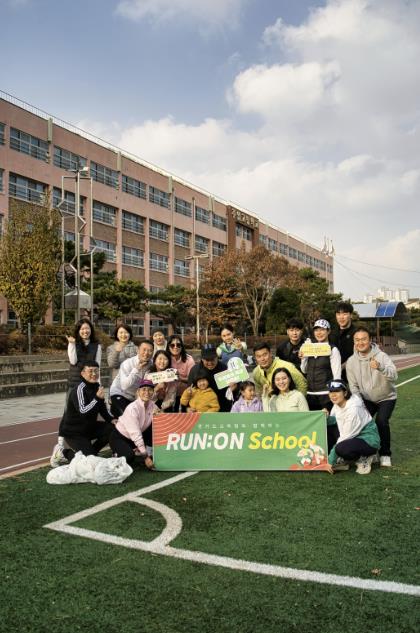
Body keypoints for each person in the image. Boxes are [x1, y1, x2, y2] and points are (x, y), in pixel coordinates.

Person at [346, 327, 397, 466]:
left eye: (364, 339)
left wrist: (380, 367)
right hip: (367, 399)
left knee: (381, 421)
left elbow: (394, 376)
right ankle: (369, 452)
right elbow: (353, 386)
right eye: (357, 340)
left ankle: (385, 454)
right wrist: (359, 406)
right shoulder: (351, 361)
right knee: (361, 422)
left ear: (370, 340)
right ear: (354, 342)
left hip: (387, 397)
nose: (360, 342)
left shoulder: (381, 356)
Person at [50, 361, 115, 467]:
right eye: (90, 371)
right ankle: (62, 453)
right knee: (87, 463)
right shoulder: (79, 389)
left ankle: (91, 453)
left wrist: (111, 419)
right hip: (74, 432)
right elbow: (83, 411)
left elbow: (102, 408)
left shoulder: (97, 386)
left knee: (112, 428)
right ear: (83, 373)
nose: (94, 374)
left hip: (89, 428)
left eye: (96, 371)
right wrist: (97, 398)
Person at [326, 379, 380, 475]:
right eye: (331, 392)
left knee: (341, 448)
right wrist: (324, 417)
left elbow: (344, 437)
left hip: (368, 440)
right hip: (355, 437)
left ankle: (365, 457)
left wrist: (330, 461)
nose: (333, 395)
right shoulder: (339, 403)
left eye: (337, 391)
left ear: (345, 393)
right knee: (330, 428)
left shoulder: (353, 409)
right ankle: (346, 458)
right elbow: (337, 419)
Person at [109, 378, 155, 468]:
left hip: (133, 439)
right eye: (144, 389)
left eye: (150, 390)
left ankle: (148, 451)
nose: (147, 392)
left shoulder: (153, 405)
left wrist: (160, 413)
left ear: (153, 392)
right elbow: (135, 434)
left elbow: (161, 416)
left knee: (156, 421)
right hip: (120, 437)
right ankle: (116, 454)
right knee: (129, 457)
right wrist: (145, 457)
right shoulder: (132, 408)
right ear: (138, 392)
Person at [300, 319, 341, 411]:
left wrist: (334, 394)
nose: (319, 333)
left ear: (328, 331)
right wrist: (304, 357)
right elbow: (304, 370)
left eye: (322, 329)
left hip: (326, 395)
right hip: (310, 394)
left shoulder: (333, 349)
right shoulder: (310, 348)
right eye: (316, 330)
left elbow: (337, 375)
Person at [109, 340, 154, 417]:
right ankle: (115, 407)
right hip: (120, 393)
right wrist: (136, 369)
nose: (146, 353)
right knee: (126, 417)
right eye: (144, 349)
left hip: (136, 397)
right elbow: (124, 386)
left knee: (141, 417)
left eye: (150, 351)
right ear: (138, 350)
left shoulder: (152, 364)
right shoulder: (127, 363)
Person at [188, 344, 232, 412]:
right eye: (207, 360)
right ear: (202, 359)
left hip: (223, 407)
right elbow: (189, 391)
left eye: (212, 359)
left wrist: (233, 388)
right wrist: (188, 407)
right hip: (201, 409)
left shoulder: (224, 368)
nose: (210, 362)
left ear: (217, 357)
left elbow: (232, 392)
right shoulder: (195, 370)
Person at [66, 317, 101, 390]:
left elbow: (97, 366)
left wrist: (98, 384)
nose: (85, 331)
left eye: (87, 328)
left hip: (90, 382)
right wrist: (72, 344)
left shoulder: (97, 345)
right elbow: (73, 361)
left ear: (91, 329)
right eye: (82, 329)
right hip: (75, 382)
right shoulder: (73, 343)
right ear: (78, 331)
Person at [167, 334, 195, 410]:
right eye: (172, 345)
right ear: (168, 347)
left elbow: (192, 379)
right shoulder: (165, 358)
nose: (175, 347)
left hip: (186, 393)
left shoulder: (189, 360)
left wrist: (180, 379)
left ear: (182, 346)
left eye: (178, 345)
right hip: (168, 394)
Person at [330, 302, 356, 377]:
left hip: (352, 375)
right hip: (333, 375)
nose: (341, 317)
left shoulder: (357, 333)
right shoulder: (331, 333)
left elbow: (359, 355)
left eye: (344, 314)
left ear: (351, 315)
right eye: (338, 314)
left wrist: (342, 367)